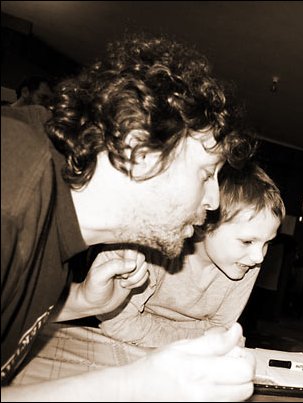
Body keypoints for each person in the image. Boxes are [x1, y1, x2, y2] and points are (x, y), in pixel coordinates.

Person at [1, 34, 257, 401]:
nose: (214, 202)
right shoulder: (12, 182)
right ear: (140, 149)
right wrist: (132, 386)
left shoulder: (56, 230)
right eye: (205, 174)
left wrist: (82, 302)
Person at [97, 162, 285, 347]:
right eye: (247, 241)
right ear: (205, 222)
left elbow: (222, 330)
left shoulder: (245, 263)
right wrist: (202, 337)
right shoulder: (154, 250)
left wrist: (211, 338)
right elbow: (117, 323)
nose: (259, 257)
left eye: (267, 243)